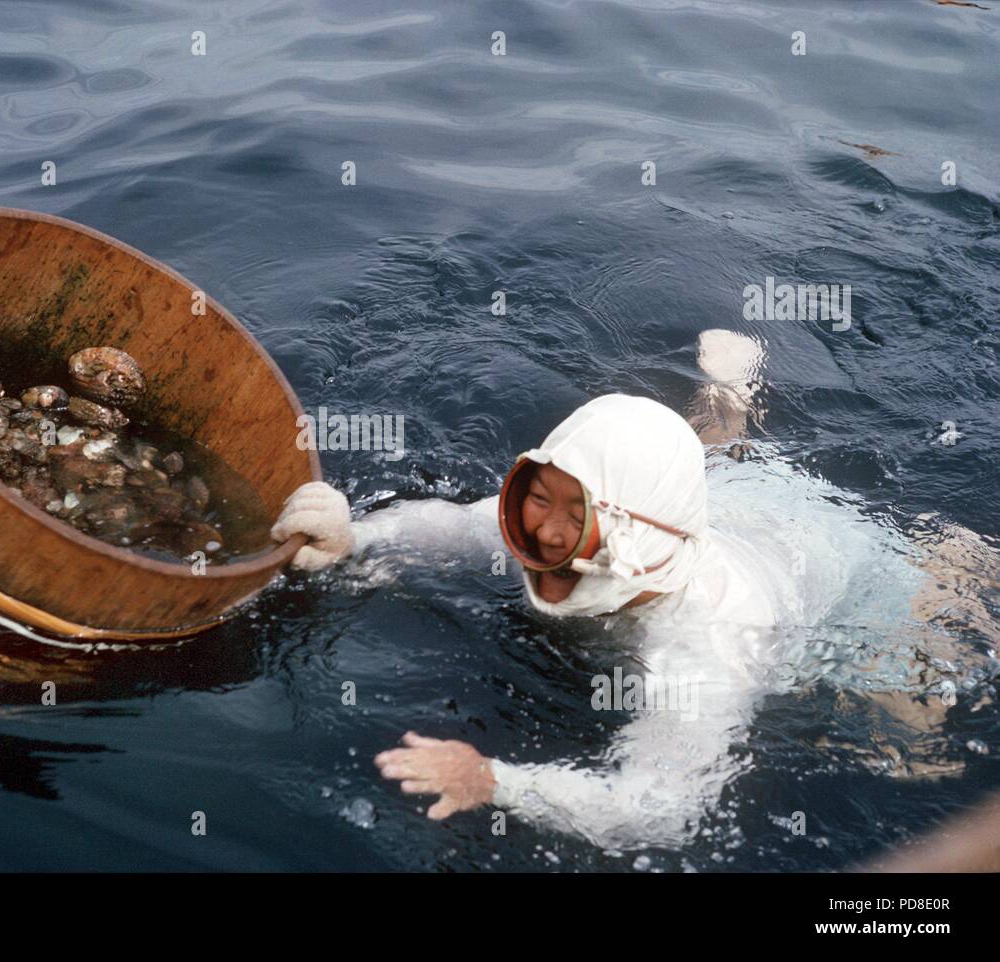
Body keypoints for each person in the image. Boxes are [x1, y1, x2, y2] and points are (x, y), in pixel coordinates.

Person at [269, 330, 994, 849]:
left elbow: (661, 808)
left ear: (628, 542)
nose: (545, 533)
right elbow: (456, 528)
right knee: (687, 460)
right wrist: (357, 538)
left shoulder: (703, 652)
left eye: (574, 513)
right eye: (538, 496)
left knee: (911, 742)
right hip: (732, 503)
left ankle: (958, 558)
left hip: (847, 560)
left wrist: (497, 781)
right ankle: (732, 402)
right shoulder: (575, 524)